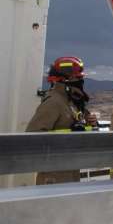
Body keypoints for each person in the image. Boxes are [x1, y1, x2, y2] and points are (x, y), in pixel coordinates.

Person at [26, 56, 97, 184]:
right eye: (78, 78)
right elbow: (32, 138)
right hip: (54, 175)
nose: (81, 81)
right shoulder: (54, 102)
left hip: (70, 169)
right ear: (66, 79)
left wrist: (90, 124)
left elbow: (72, 128)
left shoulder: (70, 102)